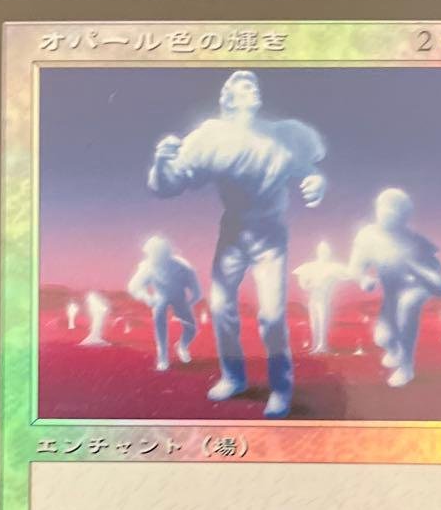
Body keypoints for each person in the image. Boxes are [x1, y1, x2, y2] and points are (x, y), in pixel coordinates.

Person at [147, 70, 326, 418]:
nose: (252, 90)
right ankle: (233, 376)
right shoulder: (211, 137)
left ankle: (281, 388)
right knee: (220, 307)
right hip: (233, 232)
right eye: (244, 87)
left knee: (272, 316)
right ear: (228, 100)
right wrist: (160, 162)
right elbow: (168, 185)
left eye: (254, 86)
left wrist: (316, 182)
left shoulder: (282, 136)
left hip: (270, 236)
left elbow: (307, 169)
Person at [348, 187, 441, 387]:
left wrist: (415, 267)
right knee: (383, 338)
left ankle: (406, 367)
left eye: (394, 212)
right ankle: (394, 349)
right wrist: (363, 279)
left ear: (404, 217)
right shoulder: (367, 236)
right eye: (383, 209)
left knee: (407, 305)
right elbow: (355, 268)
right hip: (392, 292)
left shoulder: (416, 242)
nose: (387, 215)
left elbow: (440, 285)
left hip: (416, 287)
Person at [127, 235, 202, 371]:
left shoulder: (182, 267)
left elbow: (196, 289)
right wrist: (146, 297)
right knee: (159, 322)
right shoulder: (147, 266)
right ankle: (163, 357)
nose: (153, 257)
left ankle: (182, 346)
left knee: (192, 328)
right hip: (160, 297)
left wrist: (191, 302)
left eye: (157, 253)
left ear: (166, 252)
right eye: (151, 253)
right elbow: (134, 286)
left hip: (179, 298)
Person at [293, 241, 349, 353]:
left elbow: (348, 274)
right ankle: (315, 345)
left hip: (324, 299)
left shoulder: (334, 267)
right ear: (317, 251)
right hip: (313, 297)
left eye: (326, 250)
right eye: (321, 250)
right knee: (314, 322)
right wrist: (307, 285)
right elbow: (302, 281)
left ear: (329, 252)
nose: (323, 252)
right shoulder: (310, 266)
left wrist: (331, 279)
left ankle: (322, 345)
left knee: (323, 321)